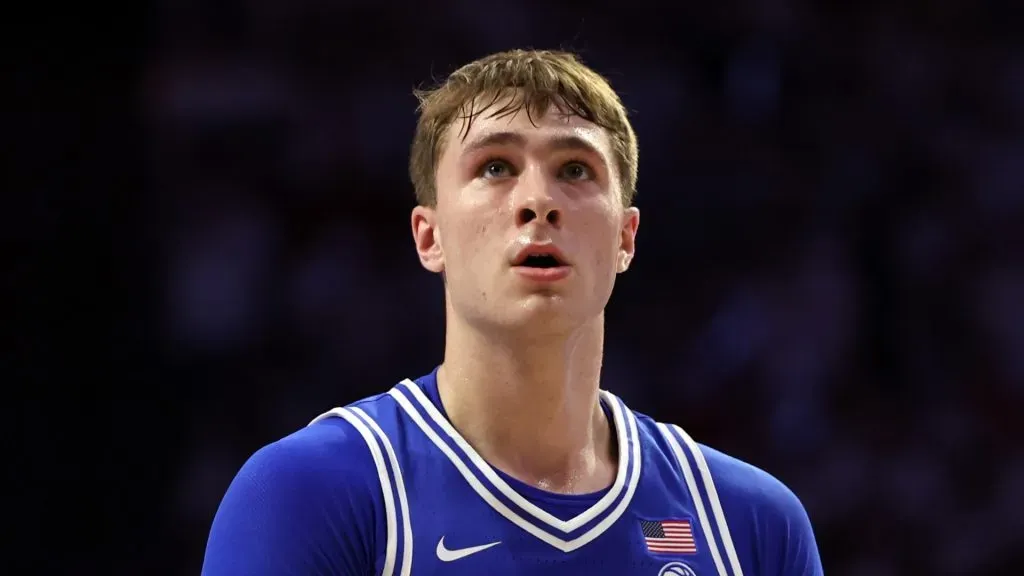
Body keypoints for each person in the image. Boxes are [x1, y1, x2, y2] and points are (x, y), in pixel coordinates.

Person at [201, 49, 824, 576]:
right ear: (429, 236)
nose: (538, 201)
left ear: (626, 238)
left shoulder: (752, 526)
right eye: (495, 167)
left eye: (574, 169)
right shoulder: (308, 493)